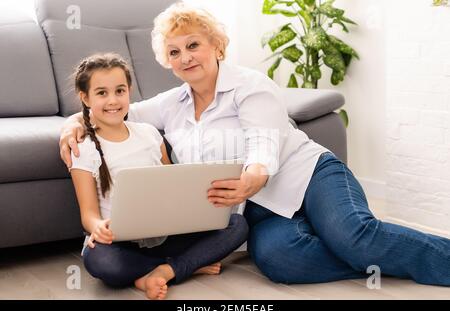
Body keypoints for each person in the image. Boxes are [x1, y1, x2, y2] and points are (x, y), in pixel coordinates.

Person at [60, 3, 450, 286]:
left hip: (308, 177)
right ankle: (375, 258)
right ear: (168, 60)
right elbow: (115, 111)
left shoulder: (251, 87)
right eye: (175, 51)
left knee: (355, 237)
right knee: (281, 262)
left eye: (193, 45)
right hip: (260, 210)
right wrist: (73, 124)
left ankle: (399, 253)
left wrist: (253, 175)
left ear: (216, 45)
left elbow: (263, 144)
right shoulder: (170, 104)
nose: (185, 57)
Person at [68, 52, 248, 300]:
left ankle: (164, 270)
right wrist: (98, 227)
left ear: (129, 91)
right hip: (118, 243)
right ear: (85, 97)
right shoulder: (84, 148)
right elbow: (88, 214)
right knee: (100, 261)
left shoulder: (149, 133)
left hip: (163, 236)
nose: (113, 100)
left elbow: (170, 186)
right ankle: (184, 266)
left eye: (120, 91)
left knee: (236, 224)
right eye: (102, 93)